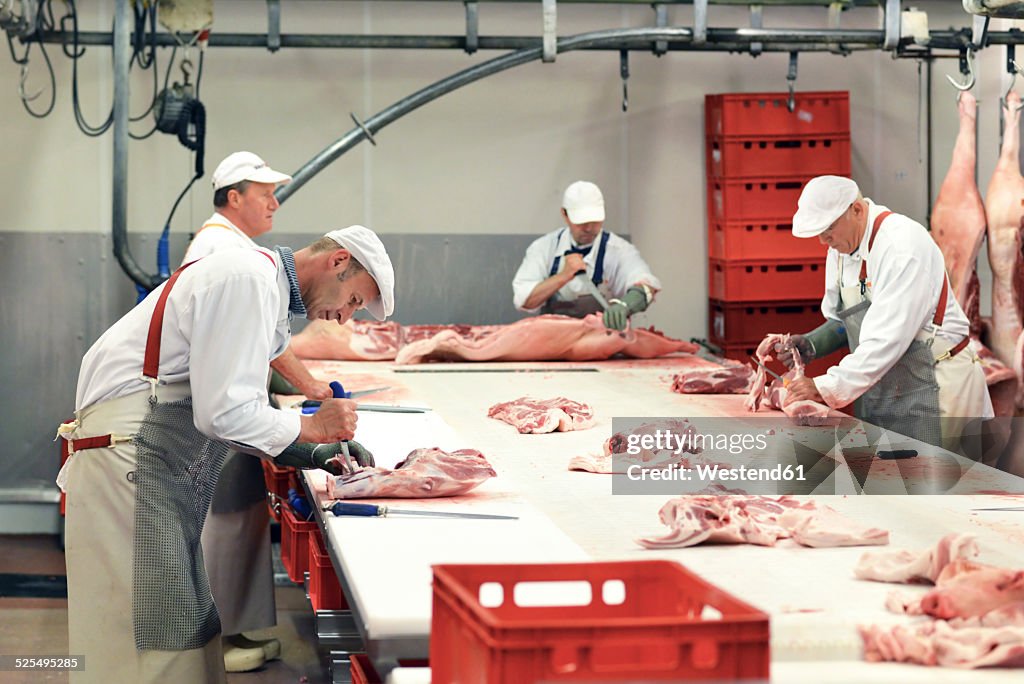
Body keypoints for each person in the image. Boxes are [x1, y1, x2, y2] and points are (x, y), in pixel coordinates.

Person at [57, 226, 395, 684]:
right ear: (338, 261)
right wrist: (311, 427)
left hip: (150, 456)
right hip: (126, 457)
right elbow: (225, 414)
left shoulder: (267, 295)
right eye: (354, 300)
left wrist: (312, 452)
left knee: (180, 624)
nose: (346, 318)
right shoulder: (247, 279)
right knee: (147, 631)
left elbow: (234, 409)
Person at [187, 151, 331, 672]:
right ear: (233, 197)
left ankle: (234, 631)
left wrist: (313, 386)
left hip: (224, 409)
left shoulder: (242, 251)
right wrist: (309, 426)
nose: (274, 202)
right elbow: (245, 358)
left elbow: (268, 341)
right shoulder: (220, 252)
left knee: (240, 514)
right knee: (222, 520)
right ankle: (219, 641)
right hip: (209, 416)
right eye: (264, 193)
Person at [782, 175, 992, 456]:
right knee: (895, 485)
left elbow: (886, 340)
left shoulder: (901, 246)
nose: (823, 240)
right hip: (892, 380)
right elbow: (843, 320)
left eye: (828, 228)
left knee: (938, 486)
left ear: (856, 209)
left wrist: (824, 387)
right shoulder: (842, 246)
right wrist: (811, 344)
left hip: (937, 382)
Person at [512, 180, 661, 330]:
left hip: (602, 341)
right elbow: (525, 301)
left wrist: (625, 305)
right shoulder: (543, 248)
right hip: (553, 343)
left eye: (594, 220)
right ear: (565, 214)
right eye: (581, 221)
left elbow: (647, 286)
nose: (589, 228)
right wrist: (563, 276)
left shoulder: (619, 250)